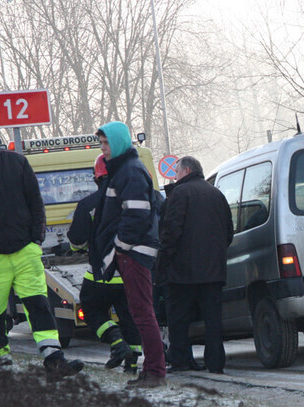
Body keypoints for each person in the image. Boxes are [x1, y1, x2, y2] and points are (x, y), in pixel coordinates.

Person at [0, 113, 83, 375]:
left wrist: (36, 240)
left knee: (38, 305)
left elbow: (35, 203)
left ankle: (54, 358)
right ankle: (0, 363)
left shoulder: (17, 163)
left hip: (25, 251)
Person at [92, 121, 165, 388]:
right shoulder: (126, 169)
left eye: (107, 143)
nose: (103, 150)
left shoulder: (130, 172)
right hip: (130, 252)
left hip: (133, 253)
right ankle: (150, 370)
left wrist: (120, 247)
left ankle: (155, 372)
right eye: (101, 144)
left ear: (120, 142)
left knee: (143, 313)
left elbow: (136, 215)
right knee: (139, 312)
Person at [155, 155, 233, 374]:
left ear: (186, 171)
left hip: (183, 272)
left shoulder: (179, 194)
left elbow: (171, 232)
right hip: (214, 271)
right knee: (213, 320)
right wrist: (216, 256)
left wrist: (163, 265)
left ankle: (180, 361)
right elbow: (229, 231)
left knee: (178, 318)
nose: (175, 177)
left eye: (176, 172)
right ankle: (215, 363)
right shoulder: (216, 193)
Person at [67, 154, 141, 374]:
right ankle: (132, 363)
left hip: (101, 273)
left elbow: (77, 241)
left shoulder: (88, 204)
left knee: (90, 309)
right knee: (130, 316)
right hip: (131, 271)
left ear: (96, 177)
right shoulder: (135, 199)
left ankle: (117, 343)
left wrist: (76, 248)